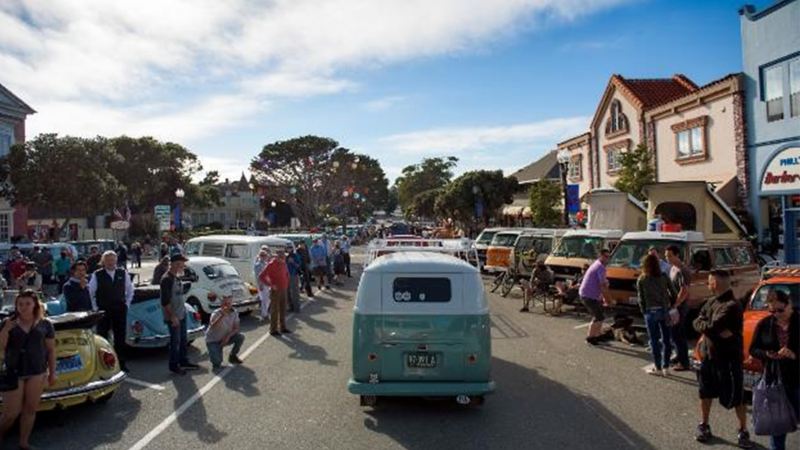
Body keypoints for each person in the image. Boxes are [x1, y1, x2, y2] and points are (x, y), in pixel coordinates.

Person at [693, 270, 753, 448]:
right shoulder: (711, 302)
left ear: (716, 284)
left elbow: (711, 326)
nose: (708, 284)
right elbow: (697, 322)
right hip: (708, 358)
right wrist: (707, 327)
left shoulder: (732, 305)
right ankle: (704, 425)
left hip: (728, 360)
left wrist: (706, 326)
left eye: (710, 281)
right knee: (705, 393)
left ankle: (742, 430)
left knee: (737, 397)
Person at [0, 290, 56, 449]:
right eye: (20, 304)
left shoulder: (45, 324)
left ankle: (24, 442)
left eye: (27, 304)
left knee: (30, 409)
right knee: (11, 413)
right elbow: (1, 347)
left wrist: (52, 372)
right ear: (16, 305)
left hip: (36, 371)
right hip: (13, 371)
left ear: (35, 305)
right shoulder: (8, 322)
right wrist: (6, 329)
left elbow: (51, 350)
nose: (23, 307)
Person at [749, 290, 799, 450]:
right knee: (777, 428)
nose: (776, 314)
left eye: (780, 310)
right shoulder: (765, 324)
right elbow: (753, 349)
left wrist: (794, 355)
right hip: (774, 381)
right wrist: (766, 354)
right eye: (772, 311)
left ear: (789, 305)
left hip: (797, 380)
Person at [88, 251, 133, 372]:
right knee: (103, 338)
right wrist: (96, 308)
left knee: (120, 338)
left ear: (116, 261)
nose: (111, 263)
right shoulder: (97, 275)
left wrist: (127, 305)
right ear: (103, 262)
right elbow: (90, 293)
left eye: (113, 260)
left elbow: (130, 290)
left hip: (120, 310)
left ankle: (121, 364)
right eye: (108, 260)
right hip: (104, 311)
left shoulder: (122, 273)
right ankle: (104, 365)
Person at [637, 254, 677, 376]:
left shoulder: (642, 279)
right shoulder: (664, 276)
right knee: (666, 339)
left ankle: (658, 367)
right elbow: (674, 293)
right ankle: (666, 367)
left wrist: (644, 311)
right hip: (664, 310)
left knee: (654, 340)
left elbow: (641, 299)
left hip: (650, 311)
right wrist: (670, 305)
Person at [160, 254, 200, 375]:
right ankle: (174, 365)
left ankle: (183, 361)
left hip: (181, 314)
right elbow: (165, 301)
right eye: (182, 263)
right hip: (174, 316)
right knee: (175, 342)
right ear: (176, 264)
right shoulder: (166, 279)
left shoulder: (176, 277)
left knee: (183, 339)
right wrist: (172, 316)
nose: (183, 265)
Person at [579, 249, 613, 345]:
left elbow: (602, 283)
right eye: (605, 256)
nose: (607, 259)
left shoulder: (598, 265)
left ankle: (597, 336)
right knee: (598, 316)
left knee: (600, 316)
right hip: (588, 295)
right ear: (600, 256)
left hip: (591, 295)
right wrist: (608, 300)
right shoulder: (600, 267)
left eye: (608, 256)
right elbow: (603, 286)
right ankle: (590, 338)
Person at [666, 245, 692, 371]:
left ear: (677, 255)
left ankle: (684, 362)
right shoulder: (673, 268)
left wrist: (676, 304)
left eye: (670, 256)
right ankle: (678, 355)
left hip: (680, 306)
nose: (667, 258)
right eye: (666, 256)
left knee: (678, 334)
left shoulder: (683, 270)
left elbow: (685, 290)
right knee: (673, 333)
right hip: (673, 305)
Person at [205, 295, 245, 371]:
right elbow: (212, 325)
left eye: (229, 303)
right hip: (213, 340)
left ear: (231, 303)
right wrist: (221, 316)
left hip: (225, 337)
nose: (226, 305)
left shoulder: (234, 312)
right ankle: (216, 359)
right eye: (225, 303)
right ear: (221, 304)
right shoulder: (216, 313)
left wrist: (228, 337)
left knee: (240, 337)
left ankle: (232, 356)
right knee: (217, 363)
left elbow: (236, 328)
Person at [260, 249, 291, 336]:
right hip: (276, 291)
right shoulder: (271, 264)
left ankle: (283, 327)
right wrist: (271, 285)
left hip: (283, 289)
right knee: (275, 310)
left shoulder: (283, 263)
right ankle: (273, 329)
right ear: (277, 257)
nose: (284, 258)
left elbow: (286, 274)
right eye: (282, 257)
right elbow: (262, 276)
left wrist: (287, 282)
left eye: (284, 257)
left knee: (283, 309)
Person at [254, 249, 271, 321]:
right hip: (262, 284)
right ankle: (264, 314)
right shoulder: (258, 265)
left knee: (267, 299)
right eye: (265, 256)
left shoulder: (265, 263)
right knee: (264, 299)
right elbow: (258, 276)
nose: (266, 257)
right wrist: (260, 284)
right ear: (262, 256)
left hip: (267, 283)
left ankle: (265, 313)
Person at [285, 246, 301, 313]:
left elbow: (298, 265)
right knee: (287, 292)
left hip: (293, 275)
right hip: (286, 276)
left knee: (294, 292)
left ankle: (296, 308)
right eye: (288, 248)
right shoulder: (286, 256)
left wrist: (293, 262)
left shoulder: (295, 256)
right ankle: (290, 307)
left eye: (290, 248)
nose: (289, 249)